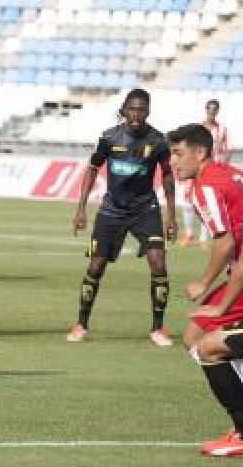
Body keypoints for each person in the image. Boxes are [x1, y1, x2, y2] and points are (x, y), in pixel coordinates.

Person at [166, 123, 243, 457]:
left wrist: (204, 283)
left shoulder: (204, 186)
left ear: (200, 152)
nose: (173, 162)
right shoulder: (236, 174)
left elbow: (225, 241)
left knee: (198, 339)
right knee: (213, 338)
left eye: (178, 154)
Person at [66, 88, 177, 346]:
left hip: (145, 209)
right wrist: (81, 208)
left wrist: (171, 215)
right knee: (96, 265)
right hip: (111, 210)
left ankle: (158, 328)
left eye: (141, 110)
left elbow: (168, 175)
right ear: (124, 110)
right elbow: (92, 168)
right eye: (132, 109)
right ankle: (81, 324)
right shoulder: (108, 137)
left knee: (158, 262)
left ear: (148, 112)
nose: (136, 114)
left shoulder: (158, 141)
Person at [181, 99, 231, 248]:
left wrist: (223, 167)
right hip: (195, 169)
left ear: (217, 111)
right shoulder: (198, 128)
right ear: (206, 110)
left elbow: (228, 149)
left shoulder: (222, 129)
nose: (212, 112)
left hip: (212, 171)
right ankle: (189, 233)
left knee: (208, 203)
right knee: (187, 203)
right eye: (209, 109)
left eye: (214, 110)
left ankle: (203, 238)